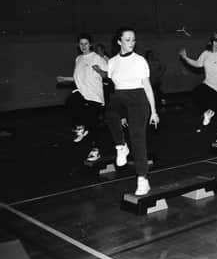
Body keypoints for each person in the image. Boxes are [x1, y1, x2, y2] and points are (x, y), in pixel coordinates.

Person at [103, 27, 159, 196]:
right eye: (127, 40)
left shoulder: (140, 61)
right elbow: (113, 89)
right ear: (119, 41)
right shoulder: (112, 62)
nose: (131, 43)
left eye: (133, 40)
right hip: (120, 97)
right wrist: (120, 115)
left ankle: (143, 179)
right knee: (109, 112)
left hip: (138, 100)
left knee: (138, 140)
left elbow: (147, 87)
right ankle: (121, 146)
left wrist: (154, 111)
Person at [179, 33, 217, 144]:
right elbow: (198, 64)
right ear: (214, 42)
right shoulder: (206, 54)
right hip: (209, 85)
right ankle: (206, 113)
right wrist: (185, 58)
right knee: (196, 92)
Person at [56, 33, 108, 161]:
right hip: (82, 92)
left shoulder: (97, 58)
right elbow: (78, 77)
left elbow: (107, 75)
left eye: (86, 43)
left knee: (93, 123)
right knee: (71, 102)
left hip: (94, 95)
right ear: (78, 46)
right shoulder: (78, 59)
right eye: (81, 44)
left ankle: (96, 150)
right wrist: (65, 79)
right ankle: (80, 127)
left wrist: (100, 71)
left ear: (90, 44)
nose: (83, 46)